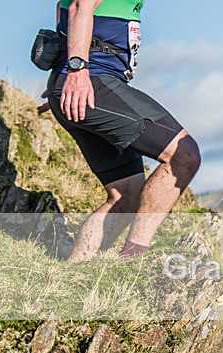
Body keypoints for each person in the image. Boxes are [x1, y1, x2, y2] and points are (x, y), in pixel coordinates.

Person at [41, 0, 200, 261]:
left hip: (88, 86)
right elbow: (79, 5)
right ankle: (132, 262)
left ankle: (74, 275)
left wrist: (65, 75)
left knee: (126, 195)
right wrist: (75, 73)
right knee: (185, 155)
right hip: (94, 81)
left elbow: (64, 4)